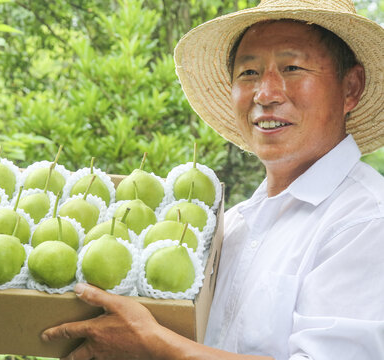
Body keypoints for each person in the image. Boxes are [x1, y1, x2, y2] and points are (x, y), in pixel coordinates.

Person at [41, 0, 384, 359]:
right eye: (248, 72)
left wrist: (152, 343)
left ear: (351, 88)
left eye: (292, 67)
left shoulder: (364, 221)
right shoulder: (230, 227)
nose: (265, 94)